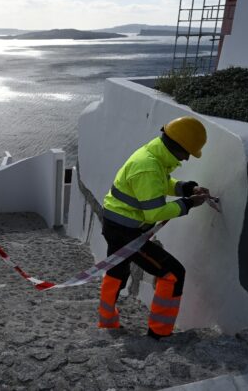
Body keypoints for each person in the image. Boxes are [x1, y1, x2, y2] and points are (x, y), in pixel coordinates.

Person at [98, 116, 210, 339]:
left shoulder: (154, 156)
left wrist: (185, 188)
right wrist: (188, 204)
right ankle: (159, 334)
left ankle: (107, 323)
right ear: (177, 146)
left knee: (117, 272)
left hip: (117, 224)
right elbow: (155, 212)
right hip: (126, 232)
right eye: (187, 152)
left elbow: (159, 184)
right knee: (173, 274)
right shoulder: (149, 167)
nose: (187, 159)